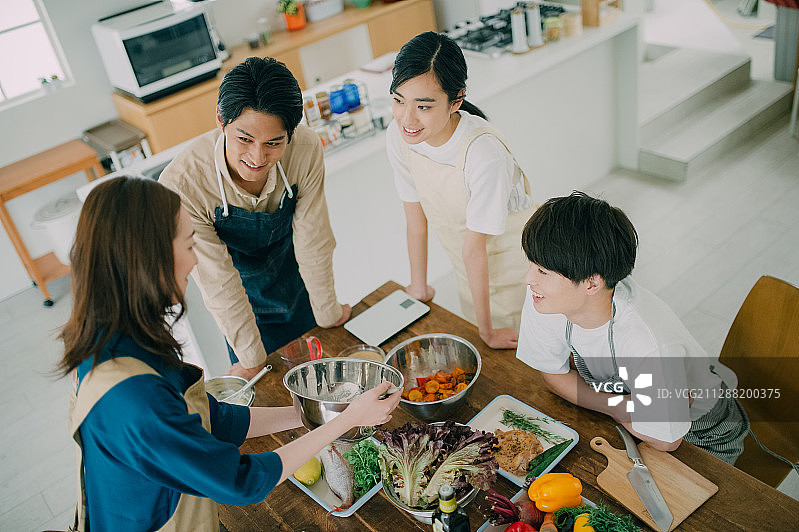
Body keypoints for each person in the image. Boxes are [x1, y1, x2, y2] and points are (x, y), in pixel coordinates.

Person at [57, 176, 400, 531]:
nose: (194, 263)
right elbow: (241, 482)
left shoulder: (116, 340)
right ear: (150, 257)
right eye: (189, 246)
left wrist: (317, 413)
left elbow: (213, 419)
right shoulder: (133, 397)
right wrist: (347, 420)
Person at [516, 191, 749, 463]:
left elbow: (666, 439)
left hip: (703, 431)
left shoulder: (647, 343)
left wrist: (614, 404)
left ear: (592, 282)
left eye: (542, 271)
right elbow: (552, 375)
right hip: (632, 411)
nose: (528, 279)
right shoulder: (545, 298)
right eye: (531, 264)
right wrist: (623, 407)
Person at [160, 57, 350, 380]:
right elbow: (217, 279)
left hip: (298, 284)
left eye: (274, 143)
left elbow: (313, 239)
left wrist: (327, 311)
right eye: (244, 140)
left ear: (290, 134)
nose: (257, 158)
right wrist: (250, 357)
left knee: (329, 382)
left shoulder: (304, 149)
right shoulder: (184, 184)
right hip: (242, 307)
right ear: (221, 120)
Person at [386, 31, 537, 350]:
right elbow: (415, 219)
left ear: (456, 100)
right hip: (470, 267)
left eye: (423, 107)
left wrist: (487, 330)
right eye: (399, 100)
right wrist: (418, 286)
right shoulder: (399, 136)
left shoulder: (483, 154)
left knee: (533, 362)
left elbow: (475, 246)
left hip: (518, 269)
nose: (407, 118)